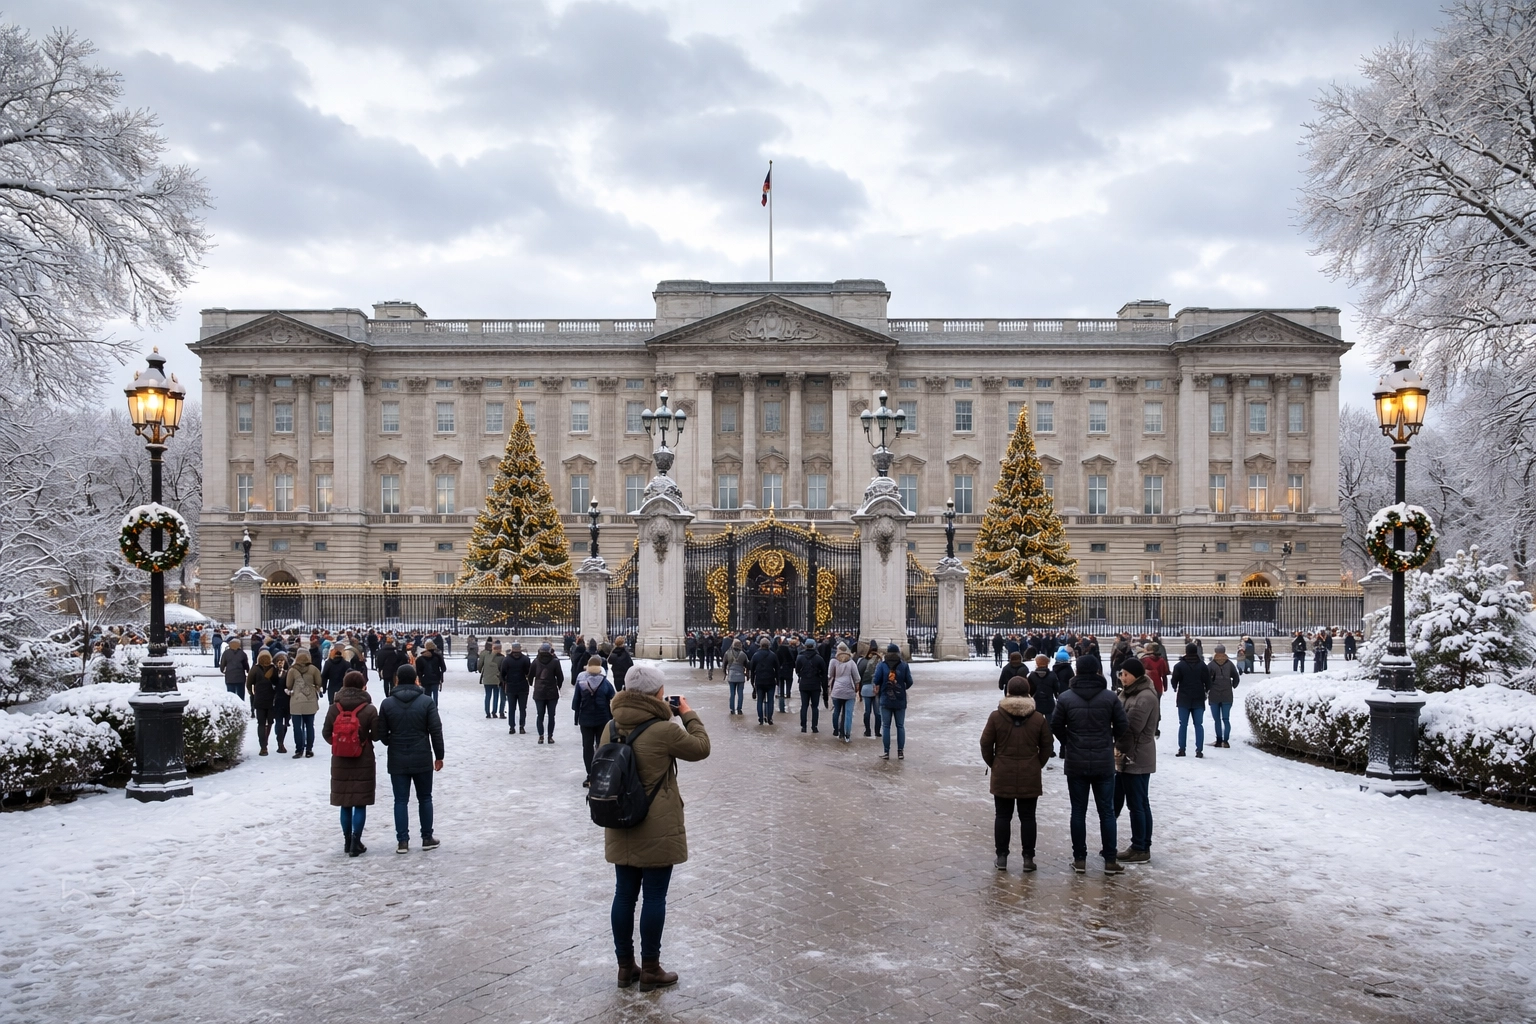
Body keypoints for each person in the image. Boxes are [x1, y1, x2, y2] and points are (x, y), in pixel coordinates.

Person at [602, 664, 711, 992]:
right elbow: (701, 748)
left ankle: (625, 968)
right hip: (656, 823)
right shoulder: (665, 729)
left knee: (623, 895)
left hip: (620, 820)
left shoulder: (612, 725)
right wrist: (688, 714)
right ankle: (650, 968)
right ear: (658, 693)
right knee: (654, 896)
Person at [1051, 651, 1131, 874]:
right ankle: (1110, 859)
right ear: (1098, 671)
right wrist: (1109, 739)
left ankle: (1080, 859)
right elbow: (1123, 726)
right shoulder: (1110, 697)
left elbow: (1055, 724)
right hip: (1103, 761)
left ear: (1076, 671)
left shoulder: (1066, 697)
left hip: (1076, 761)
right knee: (1106, 811)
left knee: (1078, 811)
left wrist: (1068, 741)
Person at [980, 677, 1053, 872]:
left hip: (1002, 771)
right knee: (1028, 817)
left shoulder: (996, 716)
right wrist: (1037, 763)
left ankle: (1002, 856)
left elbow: (985, 743)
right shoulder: (1038, 718)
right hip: (1030, 772)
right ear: (1029, 693)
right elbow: (1047, 745)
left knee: (1003, 816)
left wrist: (994, 762)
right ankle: (1028, 858)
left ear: (1008, 692)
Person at [377, 664, 444, 853]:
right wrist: (439, 756)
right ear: (416, 679)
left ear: (397, 679)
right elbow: (435, 731)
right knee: (425, 798)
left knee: (400, 800)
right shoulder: (426, 701)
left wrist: (393, 740)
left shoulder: (387, 703)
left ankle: (402, 841)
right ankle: (427, 837)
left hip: (397, 756)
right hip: (422, 754)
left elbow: (382, 734)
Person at [323, 669, 379, 857]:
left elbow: (325, 733)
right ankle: (356, 840)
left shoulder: (334, 707)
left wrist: (340, 743)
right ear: (363, 685)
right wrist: (361, 740)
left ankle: (347, 840)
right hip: (363, 758)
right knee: (359, 802)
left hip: (340, 759)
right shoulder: (369, 709)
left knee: (345, 803)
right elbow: (378, 735)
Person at [1113, 657, 1159, 863]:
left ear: (1136, 675)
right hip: (1127, 756)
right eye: (1121, 674)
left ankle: (1141, 847)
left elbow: (1131, 729)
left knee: (1138, 804)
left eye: (1125, 674)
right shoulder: (1130, 692)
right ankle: (1139, 844)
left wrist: (1118, 749)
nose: (1122, 677)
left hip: (1136, 757)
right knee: (1137, 802)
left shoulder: (1144, 697)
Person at [573, 655, 616, 784]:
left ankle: (590, 774)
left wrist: (577, 717)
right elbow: (613, 699)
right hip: (603, 719)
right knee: (601, 746)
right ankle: (600, 772)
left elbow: (576, 703)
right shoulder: (605, 683)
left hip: (586, 720)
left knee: (587, 746)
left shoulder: (581, 683)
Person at [873, 644, 913, 760]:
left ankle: (886, 752)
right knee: (900, 726)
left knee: (886, 726)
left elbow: (876, 680)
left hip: (885, 699)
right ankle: (900, 752)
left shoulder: (882, 665)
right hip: (900, 699)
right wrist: (902, 687)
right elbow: (909, 681)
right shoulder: (904, 665)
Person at [1170, 642, 1209, 757]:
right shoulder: (1202, 665)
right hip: (1198, 697)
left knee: (1183, 724)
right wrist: (1206, 690)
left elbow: (1174, 681)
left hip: (1183, 698)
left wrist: (1175, 687)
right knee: (1198, 724)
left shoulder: (1179, 666)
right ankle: (1199, 750)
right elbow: (1208, 682)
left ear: (1186, 651)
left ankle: (1182, 749)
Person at [287, 649, 324, 758]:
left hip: (296, 701)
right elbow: (318, 683)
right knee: (309, 726)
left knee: (297, 727)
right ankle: (309, 749)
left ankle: (299, 750)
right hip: (310, 700)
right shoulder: (314, 669)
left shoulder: (292, 670)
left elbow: (288, 685)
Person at [247, 650, 281, 756]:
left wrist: (252, 693)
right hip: (271, 700)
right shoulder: (273, 669)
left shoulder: (255, 669)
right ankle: (266, 740)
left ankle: (263, 747)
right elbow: (277, 683)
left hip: (259, 700)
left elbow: (249, 683)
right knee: (270, 722)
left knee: (261, 723)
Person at [1206, 644, 1240, 749]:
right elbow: (1236, 677)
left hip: (1214, 695)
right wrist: (1232, 686)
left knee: (1217, 719)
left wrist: (1207, 689)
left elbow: (1206, 679)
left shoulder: (1211, 665)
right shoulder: (1230, 664)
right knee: (1226, 719)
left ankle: (1219, 740)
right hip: (1227, 695)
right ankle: (1226, 741)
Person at [827, 643, 860, 743]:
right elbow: (857, 678)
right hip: (849, 691)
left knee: (836, 711)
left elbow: (830, 675)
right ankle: (847, 734)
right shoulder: (851, 662)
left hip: (837, 690)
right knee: (848, 713)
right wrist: (856, 689)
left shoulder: (833, 661)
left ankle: (836, 730)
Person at [532, 641, 564, 743]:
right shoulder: (555, 661)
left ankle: (541, 736)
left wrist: (533, 684)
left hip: (539, 691)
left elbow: (530, 674)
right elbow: (560, 677)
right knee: (551, 715)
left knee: (540, 715)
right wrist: (558, 686)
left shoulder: (536, 661)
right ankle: (550, 736)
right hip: (552, 692)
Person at [500, 641, 533, 734]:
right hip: (523, 686)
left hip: (511, 686)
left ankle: (511, 727)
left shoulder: (506, 660)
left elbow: (502, 673)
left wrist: (505, 681)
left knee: (511, 708)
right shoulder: (525, 659)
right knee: (522, 708)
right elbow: (528, 672)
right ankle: (522, 726)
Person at [795, 639, 826, 734]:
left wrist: (802, 675)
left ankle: (803, 726)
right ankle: (814, 726)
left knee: (804, 705)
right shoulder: (819, 658)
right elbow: (824, 673)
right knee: (815, 707)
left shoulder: (800, 657)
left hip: (804, 684)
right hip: (815, 685)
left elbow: (797, 670)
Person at [750, 636, 778, 724]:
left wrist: (752, 682)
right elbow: (777, 668)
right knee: (770, 700)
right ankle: (769, 718)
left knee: (760, 700)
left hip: (759, 680)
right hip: (770, 680)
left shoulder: (756, 655)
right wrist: (777, 679)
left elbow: (752, 669)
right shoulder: (773, 655)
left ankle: (761, 718)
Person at [858, 642, 881, 739]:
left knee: (867, 711)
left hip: (866, 688)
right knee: (877, 712)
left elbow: (858, 676)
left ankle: (867, 731)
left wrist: (859, 691)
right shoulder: (880, 662)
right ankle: (877, 732)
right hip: (876, 688)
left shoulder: (863, 661)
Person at [415, 641, 446, 707]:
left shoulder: (420, 658)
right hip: (436, 678)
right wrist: (440, 677)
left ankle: (427, 706)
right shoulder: (438, 657)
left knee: (427, 694)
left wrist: (420, 678)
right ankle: (435, 706)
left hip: (425, 678)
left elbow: (418, 671)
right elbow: (443, 668)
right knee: (435, 693)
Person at [722, 639, 749, 715]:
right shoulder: (743, 654)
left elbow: (724, 665)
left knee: (732, 693)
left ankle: (732, 709)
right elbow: (747, 665)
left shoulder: (728, 653)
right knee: (740, 694)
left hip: (731, 676)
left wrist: (725, 674)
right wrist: (747, 675)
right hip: (741, 677)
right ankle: (739, 709)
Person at [480, 640, 506, 719]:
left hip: (487, 679)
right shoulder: (501, 658)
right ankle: (494, 712)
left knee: (487, 696)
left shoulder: (486, 656)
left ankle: (487, 712)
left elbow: (481, 666)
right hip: (496, 679)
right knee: (496, 696)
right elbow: (503, 669)